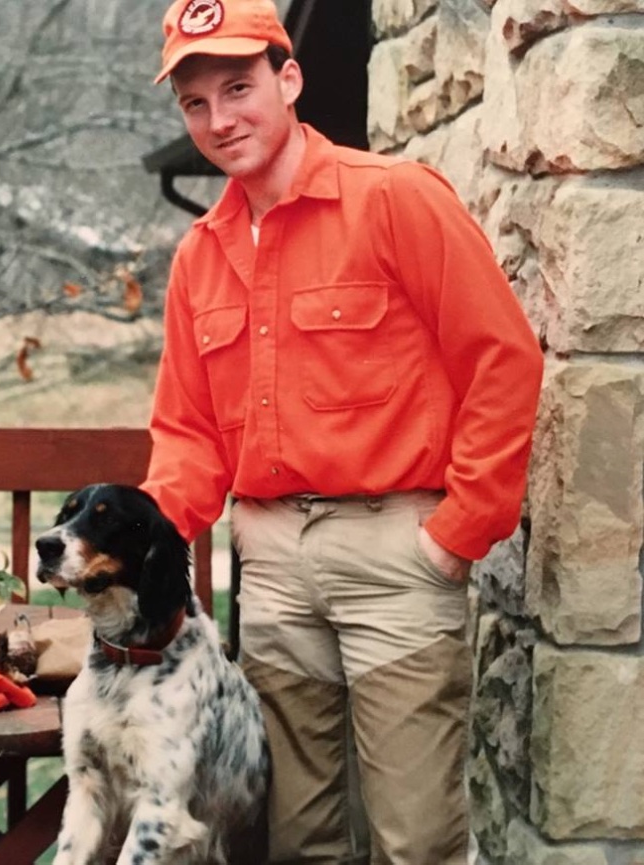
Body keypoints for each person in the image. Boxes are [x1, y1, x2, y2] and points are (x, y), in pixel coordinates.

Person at [140, 0, 545, 862]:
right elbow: (186, 434)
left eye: (239, 87)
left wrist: (457, 530)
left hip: (397, 553)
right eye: (195, 103)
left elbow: (500, 360)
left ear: (289, 80)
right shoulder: (200, 257)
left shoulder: (394, 198)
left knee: (417, 838)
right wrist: (141, 564)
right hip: (273, 568)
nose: (220, 119)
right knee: (297, 839)